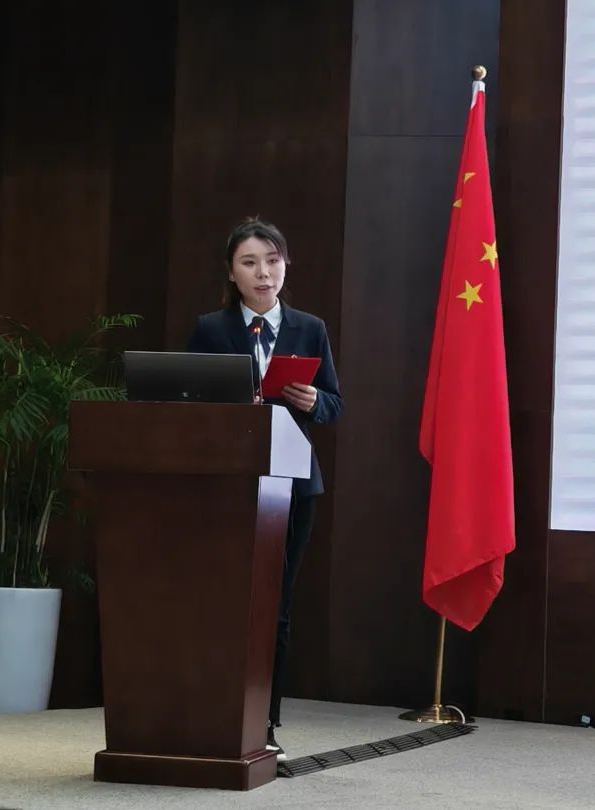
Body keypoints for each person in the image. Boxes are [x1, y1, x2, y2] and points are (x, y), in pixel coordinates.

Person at [187, 217, 343, 760]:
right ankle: (213, 711)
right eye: (250, 263)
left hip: (293, 484)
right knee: (224, 601)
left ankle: (265, 721)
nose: (263, 273)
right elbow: (186, 399)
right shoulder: (211, 330)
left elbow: (334, 404)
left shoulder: (310, 328)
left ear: (285, 266)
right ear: (231, 273)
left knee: (275, 605)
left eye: (272, 261)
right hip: (229, 483)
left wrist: (314, 402)